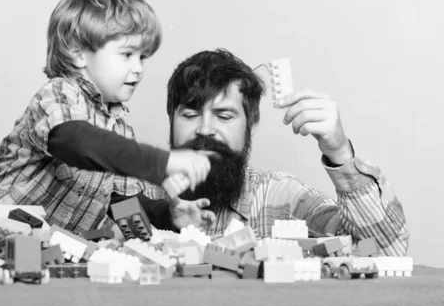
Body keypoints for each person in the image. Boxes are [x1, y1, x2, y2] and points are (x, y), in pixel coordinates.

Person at [0, 0, 214, 232]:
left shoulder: (119, 130)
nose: (138, 68)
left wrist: (166, 217)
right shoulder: (59, 93)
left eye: (143, 57)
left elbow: (119, 203)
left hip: (45, 254)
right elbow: (74, 141)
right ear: (78, 54)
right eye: (127, 54)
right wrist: (160, 163)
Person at [140, 48, 409, 256]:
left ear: (250, 125)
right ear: (171, 121)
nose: (205, 129)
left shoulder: (283, 199)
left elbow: (386, 250)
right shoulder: (135, 193)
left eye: (224, 116)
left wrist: (339, 152)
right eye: (190, 114)